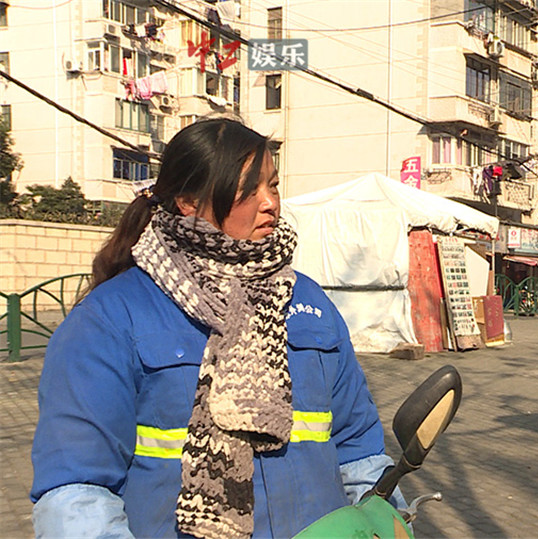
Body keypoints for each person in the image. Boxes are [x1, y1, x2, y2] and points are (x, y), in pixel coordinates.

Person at [31, 118, 402, 538]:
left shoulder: (309, 302)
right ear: (189, 201)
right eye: (248, 190)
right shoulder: (111, 318)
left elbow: (359, 449)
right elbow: (76, 491)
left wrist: (385, 520)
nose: (270, 203)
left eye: (273, 186)